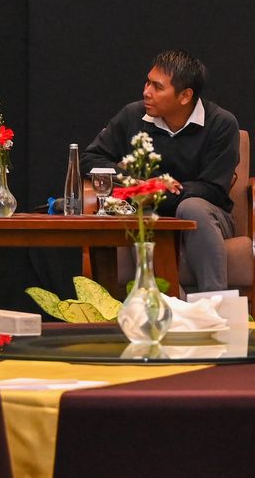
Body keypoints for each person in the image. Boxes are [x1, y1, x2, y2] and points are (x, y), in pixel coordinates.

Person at [85, 50, 240, 296]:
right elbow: (90, 160)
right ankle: (165, 303)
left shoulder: (221, 124)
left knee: (192, 207)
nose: (146, 92)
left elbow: (214, 189)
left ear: (185, 96)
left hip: (208, 216)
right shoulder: (133, 116)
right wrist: (137, 185)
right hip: (147, 211)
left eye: (157, 87)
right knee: (143, 214)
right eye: (148, 82)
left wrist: (161, 191)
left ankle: (214, 304)